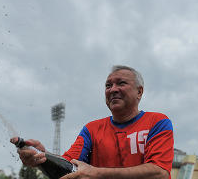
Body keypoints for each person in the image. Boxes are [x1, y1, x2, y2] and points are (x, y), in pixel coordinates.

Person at [10, 65, 174, 179]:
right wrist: (43, 157)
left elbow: (159, 172)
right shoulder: (92, 129)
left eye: (121, 83)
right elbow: (69, 167)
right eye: (108, 85)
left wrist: (96, 173)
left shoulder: (157, 121)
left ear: (139, 92)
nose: (113, 89)